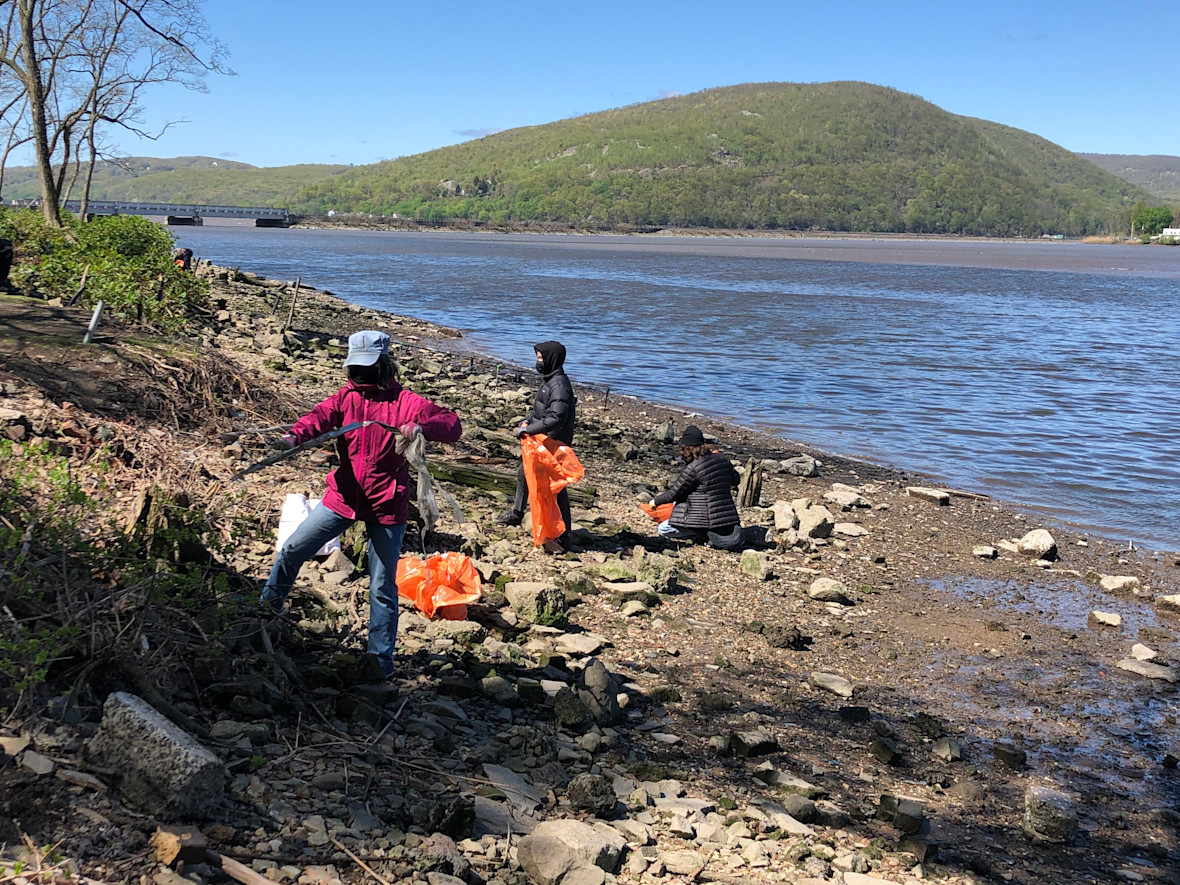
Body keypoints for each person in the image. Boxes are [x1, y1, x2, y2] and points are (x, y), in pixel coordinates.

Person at [260, 330, 461, 688]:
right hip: (343, 499)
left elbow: (452, 424)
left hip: (387, 505)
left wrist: (421, 427)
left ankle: (380, 664)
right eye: (356, 369)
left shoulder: (406, 401)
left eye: (368, 369)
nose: (361, 376)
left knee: (383, 586)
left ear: (385, 366)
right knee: (291, 551)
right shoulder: (345, 398)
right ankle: (260, 620)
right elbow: (317, 419)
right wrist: (293, 437)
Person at [495, 340, 577, 551]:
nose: (538, 362)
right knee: (524, 473)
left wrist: (529, 430)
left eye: (540, 358)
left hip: (554, 443)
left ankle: (563, 536)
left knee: (556, 488)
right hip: (543, 441)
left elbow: (556, 418)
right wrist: (526, 421)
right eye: (538, 358)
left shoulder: (559, 386)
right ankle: (517, 513)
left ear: (551, 359)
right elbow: (539, 412)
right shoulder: (548, 381)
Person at [649, 425, 743, 549]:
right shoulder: (722, 459)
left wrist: (655, 502)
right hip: (726, 516)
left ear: (687, 448)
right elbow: (736, 480)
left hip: (704, 518)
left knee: (663, 529)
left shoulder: (693, 468)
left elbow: (674, 493)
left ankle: (698, 534)